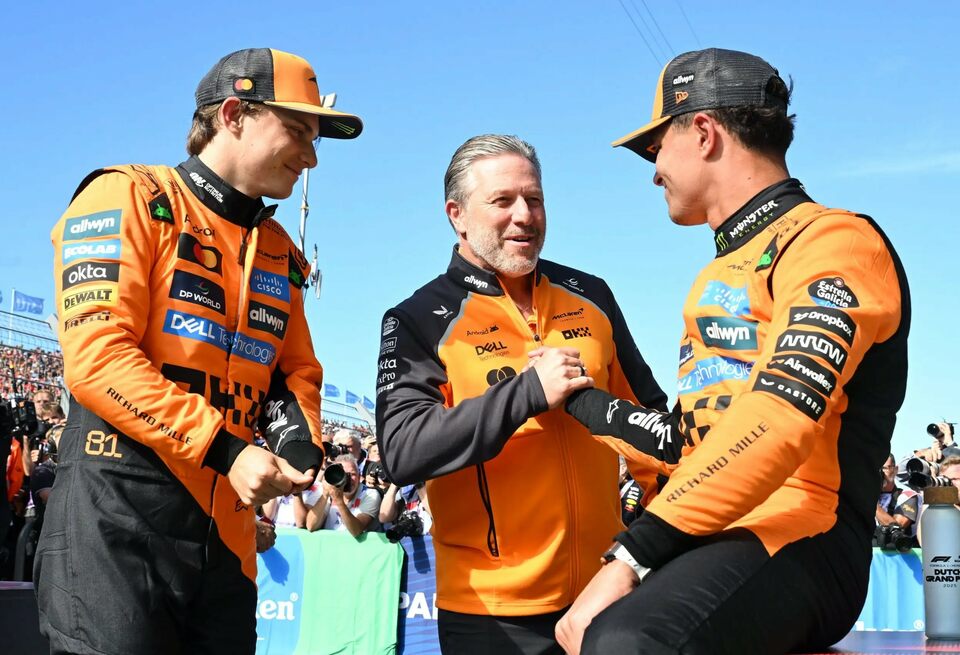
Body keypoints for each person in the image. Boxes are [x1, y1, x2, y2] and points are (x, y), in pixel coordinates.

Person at [552, 48, 911, 655]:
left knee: (626, 641)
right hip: (715, 529)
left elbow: (779, 416)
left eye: (655, 148)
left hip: (807, 531)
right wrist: (575, 398)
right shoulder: (719, 270)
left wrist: (633, 555)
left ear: (703, 132)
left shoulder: (835, 241)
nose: (654, 172)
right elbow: (690, 442)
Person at [36, 47, 362, 654]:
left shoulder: (280, 250)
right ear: (233, 114)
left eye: (315, 139)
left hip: (227, 545)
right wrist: (227, 450)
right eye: (297, 131)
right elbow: (97, 357)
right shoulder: (125, 196)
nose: (311, 156)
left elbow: (293, 372)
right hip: (116, 523)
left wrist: (299, 444)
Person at [375, 134, 666, 654]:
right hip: (491, 615)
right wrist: (527, 393)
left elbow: (650, 419)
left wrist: (655, 541)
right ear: (457, 216)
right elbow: (403, 450)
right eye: (502, 200)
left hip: (604, 594)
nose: (524, 216)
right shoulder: (419, 318)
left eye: (534, 199)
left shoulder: (592, 294)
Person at [305, 454, 381, 535]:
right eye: (343, 474)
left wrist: (339, 501)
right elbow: (311, 526)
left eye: (352, 474)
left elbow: (356, 530)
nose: (348, 479)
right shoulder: (329, 491)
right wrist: (325, 494)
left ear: (359, 477)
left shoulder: (370, 494)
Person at [875, 454, 919, 548]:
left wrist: (870, 502)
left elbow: (897, 529)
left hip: (899, 553)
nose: (881, 473)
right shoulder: (867, 493)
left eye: (884, 468)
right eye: (877, 468)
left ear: (895, 470)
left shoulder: (907, 495)